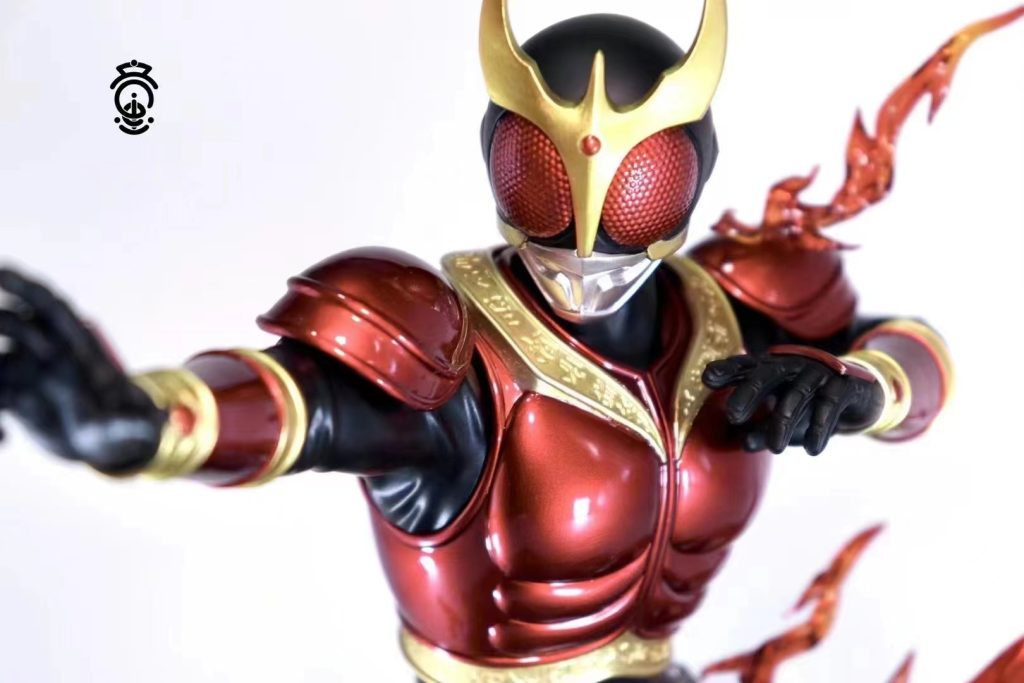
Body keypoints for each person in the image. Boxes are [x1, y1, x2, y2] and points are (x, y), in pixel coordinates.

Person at [0, 0, 951, 680]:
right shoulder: (452, 354)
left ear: (691, 170)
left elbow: (911, 355)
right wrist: (150, 421)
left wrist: (863, 387)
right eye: (541, 170)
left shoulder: (742, 304)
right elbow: (307, 406)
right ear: (498, 151)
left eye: (638, 183)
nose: (586, 232)